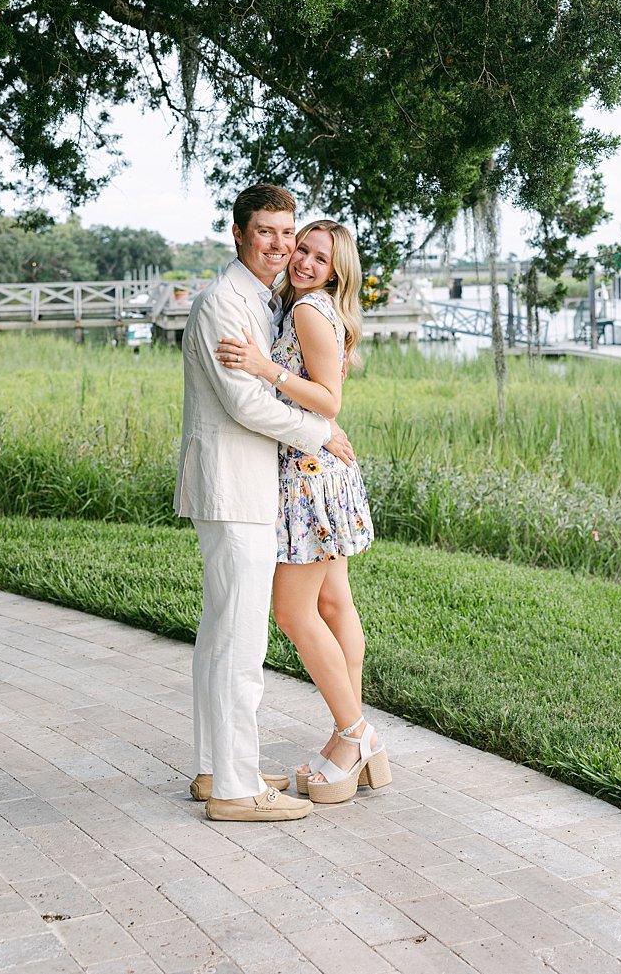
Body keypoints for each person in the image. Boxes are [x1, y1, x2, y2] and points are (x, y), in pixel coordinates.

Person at [176, 184, 356, 823]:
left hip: (251, 485)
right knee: (239, 640)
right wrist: (322, 433)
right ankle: (235, 789)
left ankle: (216, 766)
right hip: (236, 485)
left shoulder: (263, 299)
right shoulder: (225, 303)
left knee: (221, 633)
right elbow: (244, 402)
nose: (281, 247)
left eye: (290, 234)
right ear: (239, 234)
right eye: (267, 233)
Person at [217, 218, 388, 805]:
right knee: (334, 604)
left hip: (311, 478)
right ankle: (357, 742)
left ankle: (354, 733)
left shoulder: (311, 310)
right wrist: (322, 424)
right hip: (320, 468)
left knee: (293, 613)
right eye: (302, 248)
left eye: (320, 257)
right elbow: (326, 401)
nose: (304, 261)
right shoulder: (305, 307)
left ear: (336, 271)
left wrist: (267, 370)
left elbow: (328, 398)